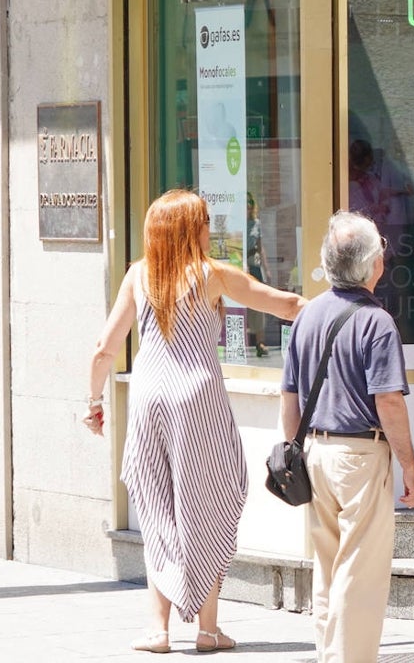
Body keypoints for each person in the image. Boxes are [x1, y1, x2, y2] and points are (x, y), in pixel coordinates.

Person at [83, 189, 306, 654]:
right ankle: (208, 630)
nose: (210, 229)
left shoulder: (138, 276)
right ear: (192, 230)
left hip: (148, 398)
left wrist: (93, 401)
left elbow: (104, 348)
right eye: (205, 222)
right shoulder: (212, 274)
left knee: (157, 507)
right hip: (197, 399)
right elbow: (284, 305)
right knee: (209, 502)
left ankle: (159, 631)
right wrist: (342, 303)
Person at [281, 211, 414, 662]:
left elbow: (288, 396)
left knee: (328, 567)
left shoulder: (307, 316)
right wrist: (411, 467)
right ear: (373, 265)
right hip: (359, 455)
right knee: (359, 571)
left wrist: (295, 452)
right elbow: (390, 403)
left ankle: (329, 654)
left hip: (315, 453)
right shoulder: (376, 322)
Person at [246, 191, 273, 357]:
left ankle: (260, 342)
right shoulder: (236, 222)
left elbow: (260, 247)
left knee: (258, 303)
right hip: (240, 265)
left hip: (254, 265)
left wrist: (267, 268)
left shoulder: (256, 223)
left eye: (249, 202)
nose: (247, 206)